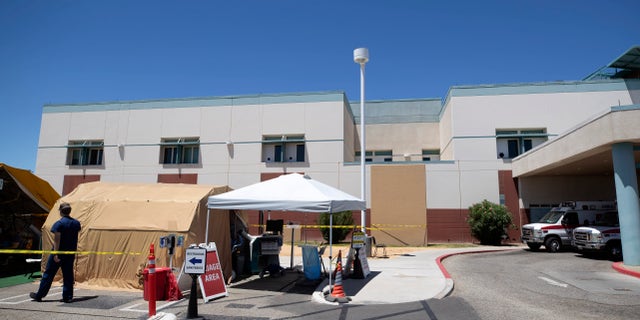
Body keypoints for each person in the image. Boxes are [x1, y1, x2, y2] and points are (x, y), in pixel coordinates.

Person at [31, 202, 81, 303]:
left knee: (48, 274)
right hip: (70, 253)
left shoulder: (59, 224)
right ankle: (68, 297)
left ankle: (39, 295)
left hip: (59, 253)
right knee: (68, 275)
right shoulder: (76, 223)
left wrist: (56, 253)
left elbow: (57, 240)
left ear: (60, 212)